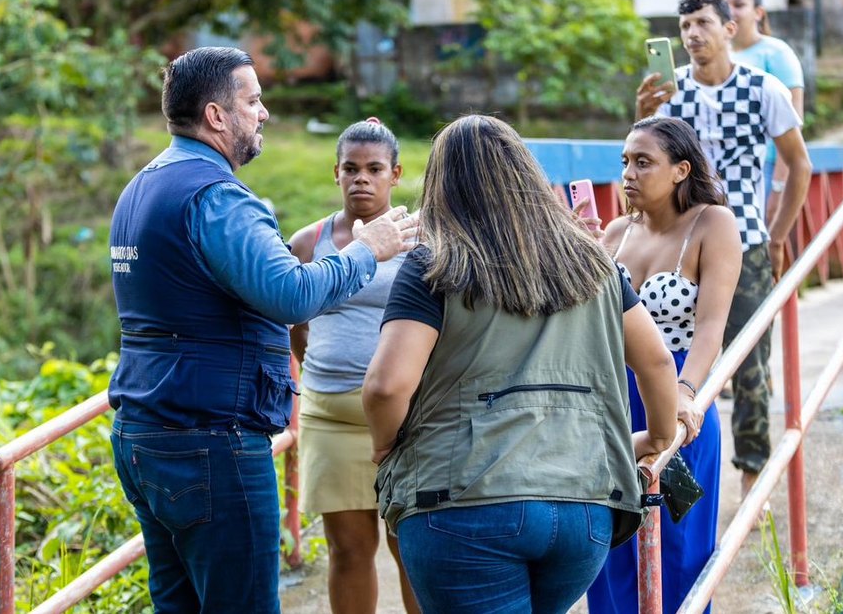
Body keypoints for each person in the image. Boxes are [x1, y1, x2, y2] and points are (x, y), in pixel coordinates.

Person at [107, 47, 418, 613]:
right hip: (210, 441)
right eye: (252, 100)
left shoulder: (141, 187)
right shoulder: (216, 197)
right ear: (216, 116)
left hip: (143, 432)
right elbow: (291, 296)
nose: (265, 113)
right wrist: (367, 251)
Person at [362, 114, 679, 614]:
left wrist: (386, 445)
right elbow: (658, 362)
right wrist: (659, 437)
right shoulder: (593, 262)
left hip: (463, 502)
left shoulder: (434, 263)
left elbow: (386, 386)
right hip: (584, 506)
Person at [636, 0, 812, 498]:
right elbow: (643, 164)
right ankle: (673, 478)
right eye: (685, 26)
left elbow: (799, 164)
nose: (692, 35)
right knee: (661, 354)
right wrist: (642, 113)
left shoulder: (763, 89)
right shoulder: (671, 95)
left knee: (750, 362)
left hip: (748, 238)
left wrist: (777, 235)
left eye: (703, 24)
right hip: (683, 243)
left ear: (729, 29)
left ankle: (751, 477)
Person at [586, 116, 742, 614]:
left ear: (680, 170)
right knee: (609, 540)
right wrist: (574, 249)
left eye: (644, 162)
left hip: (676, 399)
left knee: (678, 541)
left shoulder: (712, 224)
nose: (629, 173)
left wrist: (686, 392)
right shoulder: (612, 234)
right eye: (625, 162)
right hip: (612, 399)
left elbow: (711, 330)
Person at [287, 118, 419, 614]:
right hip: (331, 418)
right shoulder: (308, 242)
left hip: (409, 421)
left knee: (411, 551)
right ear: (336, 174)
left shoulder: (422, 238)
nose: (361, 178)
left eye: (374, 168)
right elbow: (295, 322)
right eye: (351, 168)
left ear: (396, 174)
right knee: (348, 551)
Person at [724, 0, 806, 219]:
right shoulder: (721, 57)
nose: (730, 12)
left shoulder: (776, 53)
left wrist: (779, 187)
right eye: (724, 5)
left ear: (758, 13)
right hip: (727, 170)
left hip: (766, 167)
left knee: (759, 248)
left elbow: (793, 123)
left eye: (738, 4)